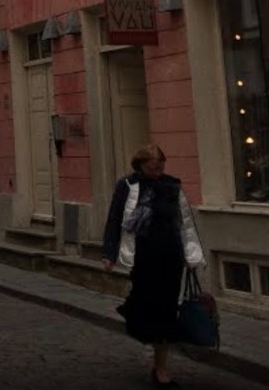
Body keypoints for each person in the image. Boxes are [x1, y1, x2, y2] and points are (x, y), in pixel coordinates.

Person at [101, 143, 204, 387]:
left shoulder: (171, 186)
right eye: (152, 166)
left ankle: (161, 368)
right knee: (145, 306)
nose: (158, 170)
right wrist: (109, 253)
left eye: (160, 165)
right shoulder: (128, 186)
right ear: (141, 164)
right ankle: (140, 324)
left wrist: (192, 254)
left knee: (166, 311)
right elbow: (115, 219)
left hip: (170, 255)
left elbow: (185, 222)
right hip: (143, 257)